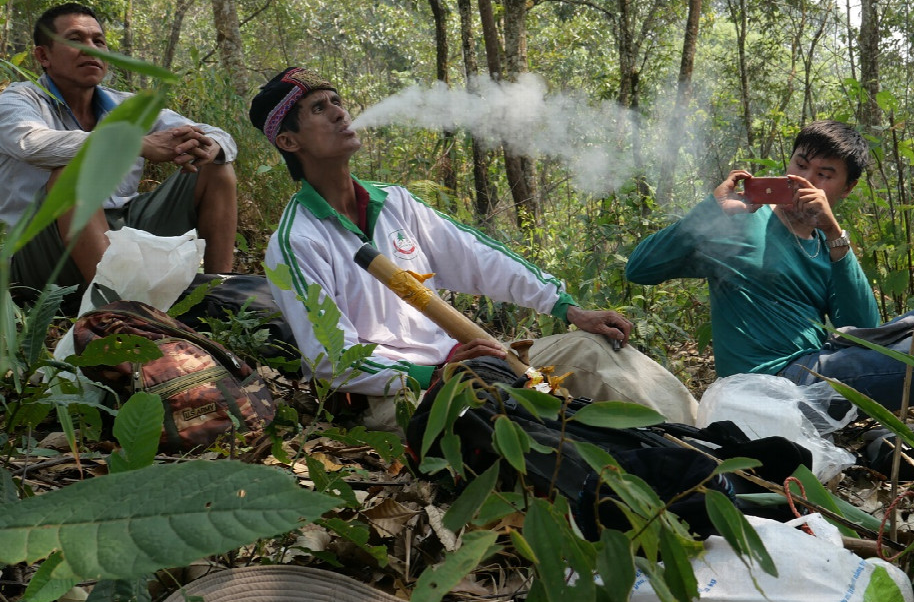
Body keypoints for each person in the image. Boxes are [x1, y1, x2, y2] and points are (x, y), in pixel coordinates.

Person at [248, 67, 697, 430]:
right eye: (318, 109)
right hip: (398, 395)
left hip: (467, 361)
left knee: (591, 351)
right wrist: (434, 375)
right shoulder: (297, 242)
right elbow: (333, 360)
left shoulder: (396, 202)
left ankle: (705, 442)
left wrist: (564, 307)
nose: (340, 114)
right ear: (288, 142)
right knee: (509, 408)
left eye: (337, 102)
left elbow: (480, 258)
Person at [625, 120, 914, 430]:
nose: (803, 180)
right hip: (770, 385)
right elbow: (640, 269)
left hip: (815, 366)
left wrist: (835, 234)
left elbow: (862, 326)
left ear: (846, 189)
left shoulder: (824, 243)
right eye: (799, 165)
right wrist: (709, 212)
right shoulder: (740, 223)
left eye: (824, 175)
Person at [0, 3, 238, 303]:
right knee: (72, 173)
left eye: (99, 41)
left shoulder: (129, 106)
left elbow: (220, 136)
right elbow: (30, 143)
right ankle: (121, 310)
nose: (93, 50)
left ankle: (220, 295)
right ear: (43, 55)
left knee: (216, 166)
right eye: (75, 40)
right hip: (40, 255)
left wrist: (209, 145)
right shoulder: (18, 99)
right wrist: (132, 144)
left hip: (120, 237)